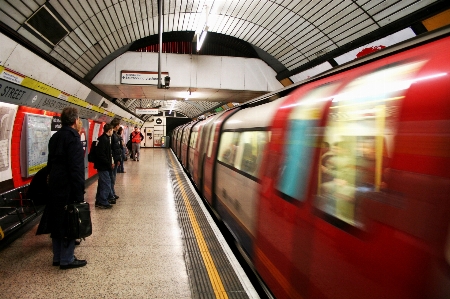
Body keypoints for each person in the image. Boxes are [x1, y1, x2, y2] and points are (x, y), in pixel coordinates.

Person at [36, 107, 87, 270]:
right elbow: (76, 169)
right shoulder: (73, 139)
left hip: (55, 185)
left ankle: (57, 257)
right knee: (69, 222)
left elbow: (50, 164)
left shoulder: (55, 137)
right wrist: (79, 192)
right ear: (75, 121)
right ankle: (67, 259)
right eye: (78, 119)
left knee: (57, 221)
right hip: (68, 187)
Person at [94, 123, 114, 209]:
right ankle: (103, 201)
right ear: (109, 130)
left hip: (102, 165)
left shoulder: (102, 138)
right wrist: (109, 163)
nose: (112, 132)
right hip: (103, 166)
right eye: (112, 130)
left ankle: (99, 200)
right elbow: (102, 155)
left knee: (102, 183)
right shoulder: (104, 140)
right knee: (106, 183)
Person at [109, 119, 122, 201]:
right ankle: (111, 194)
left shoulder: (115, 135)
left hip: (116, 159)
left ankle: (112, 193)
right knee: (112, 178)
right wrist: (114, 160)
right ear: (116, 125)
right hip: (113, 159)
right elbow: (112, 150)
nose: (119, 126)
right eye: (118, 125)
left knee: (113, 177)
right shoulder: (113, 136)